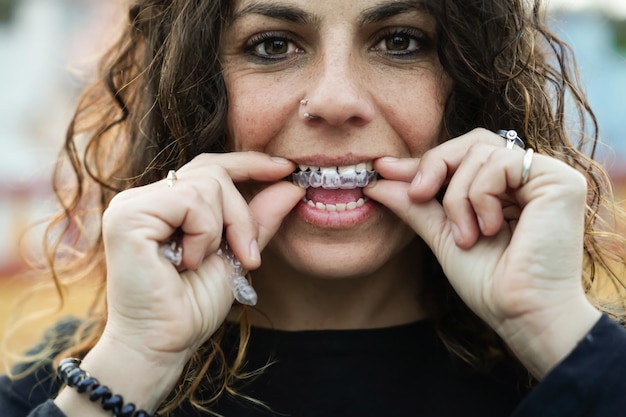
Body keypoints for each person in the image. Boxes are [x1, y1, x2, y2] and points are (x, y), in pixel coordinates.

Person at [2, 0, 626, 416]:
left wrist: (554, 334)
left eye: (401, 41)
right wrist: (134, 365)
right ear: (191, 88)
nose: (336, 101)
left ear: (470, 85)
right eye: (273, 45)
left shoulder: (586, 363)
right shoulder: (63, 389)